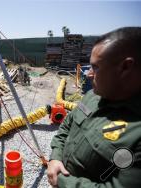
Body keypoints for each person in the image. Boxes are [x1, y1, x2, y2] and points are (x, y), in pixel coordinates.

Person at [47, 27, 141, 188]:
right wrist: (55, 157)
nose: (89, 74)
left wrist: (62, 182)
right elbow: (68, 124)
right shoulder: (93, 95)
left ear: (125, 67)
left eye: (95, 67)